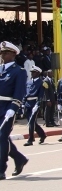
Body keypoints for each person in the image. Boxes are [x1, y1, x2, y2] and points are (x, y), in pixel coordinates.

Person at [0, 41, 29, 179]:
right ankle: (19, 158)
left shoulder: (19, 71)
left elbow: (19, 92)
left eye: (5, 53)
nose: (3, 55)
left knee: (2, 137)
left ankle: (1, 169)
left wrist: (14, 108)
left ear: (13, 54)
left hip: (7, 108)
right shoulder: (0, 69)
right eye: (2, 53)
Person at [23, 66, 47, 146]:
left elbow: (40, 95)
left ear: (38, 73)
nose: (32, 74)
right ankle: (42, 135)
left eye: (33, 72)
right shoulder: (28, 82)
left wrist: (37, 104)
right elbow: (25, 94)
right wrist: (23, 103)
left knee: (31, 121)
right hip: (27, 103)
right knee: (31, 122)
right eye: (31, 72)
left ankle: (30, 139)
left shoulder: (41, 82)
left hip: (34, 103)